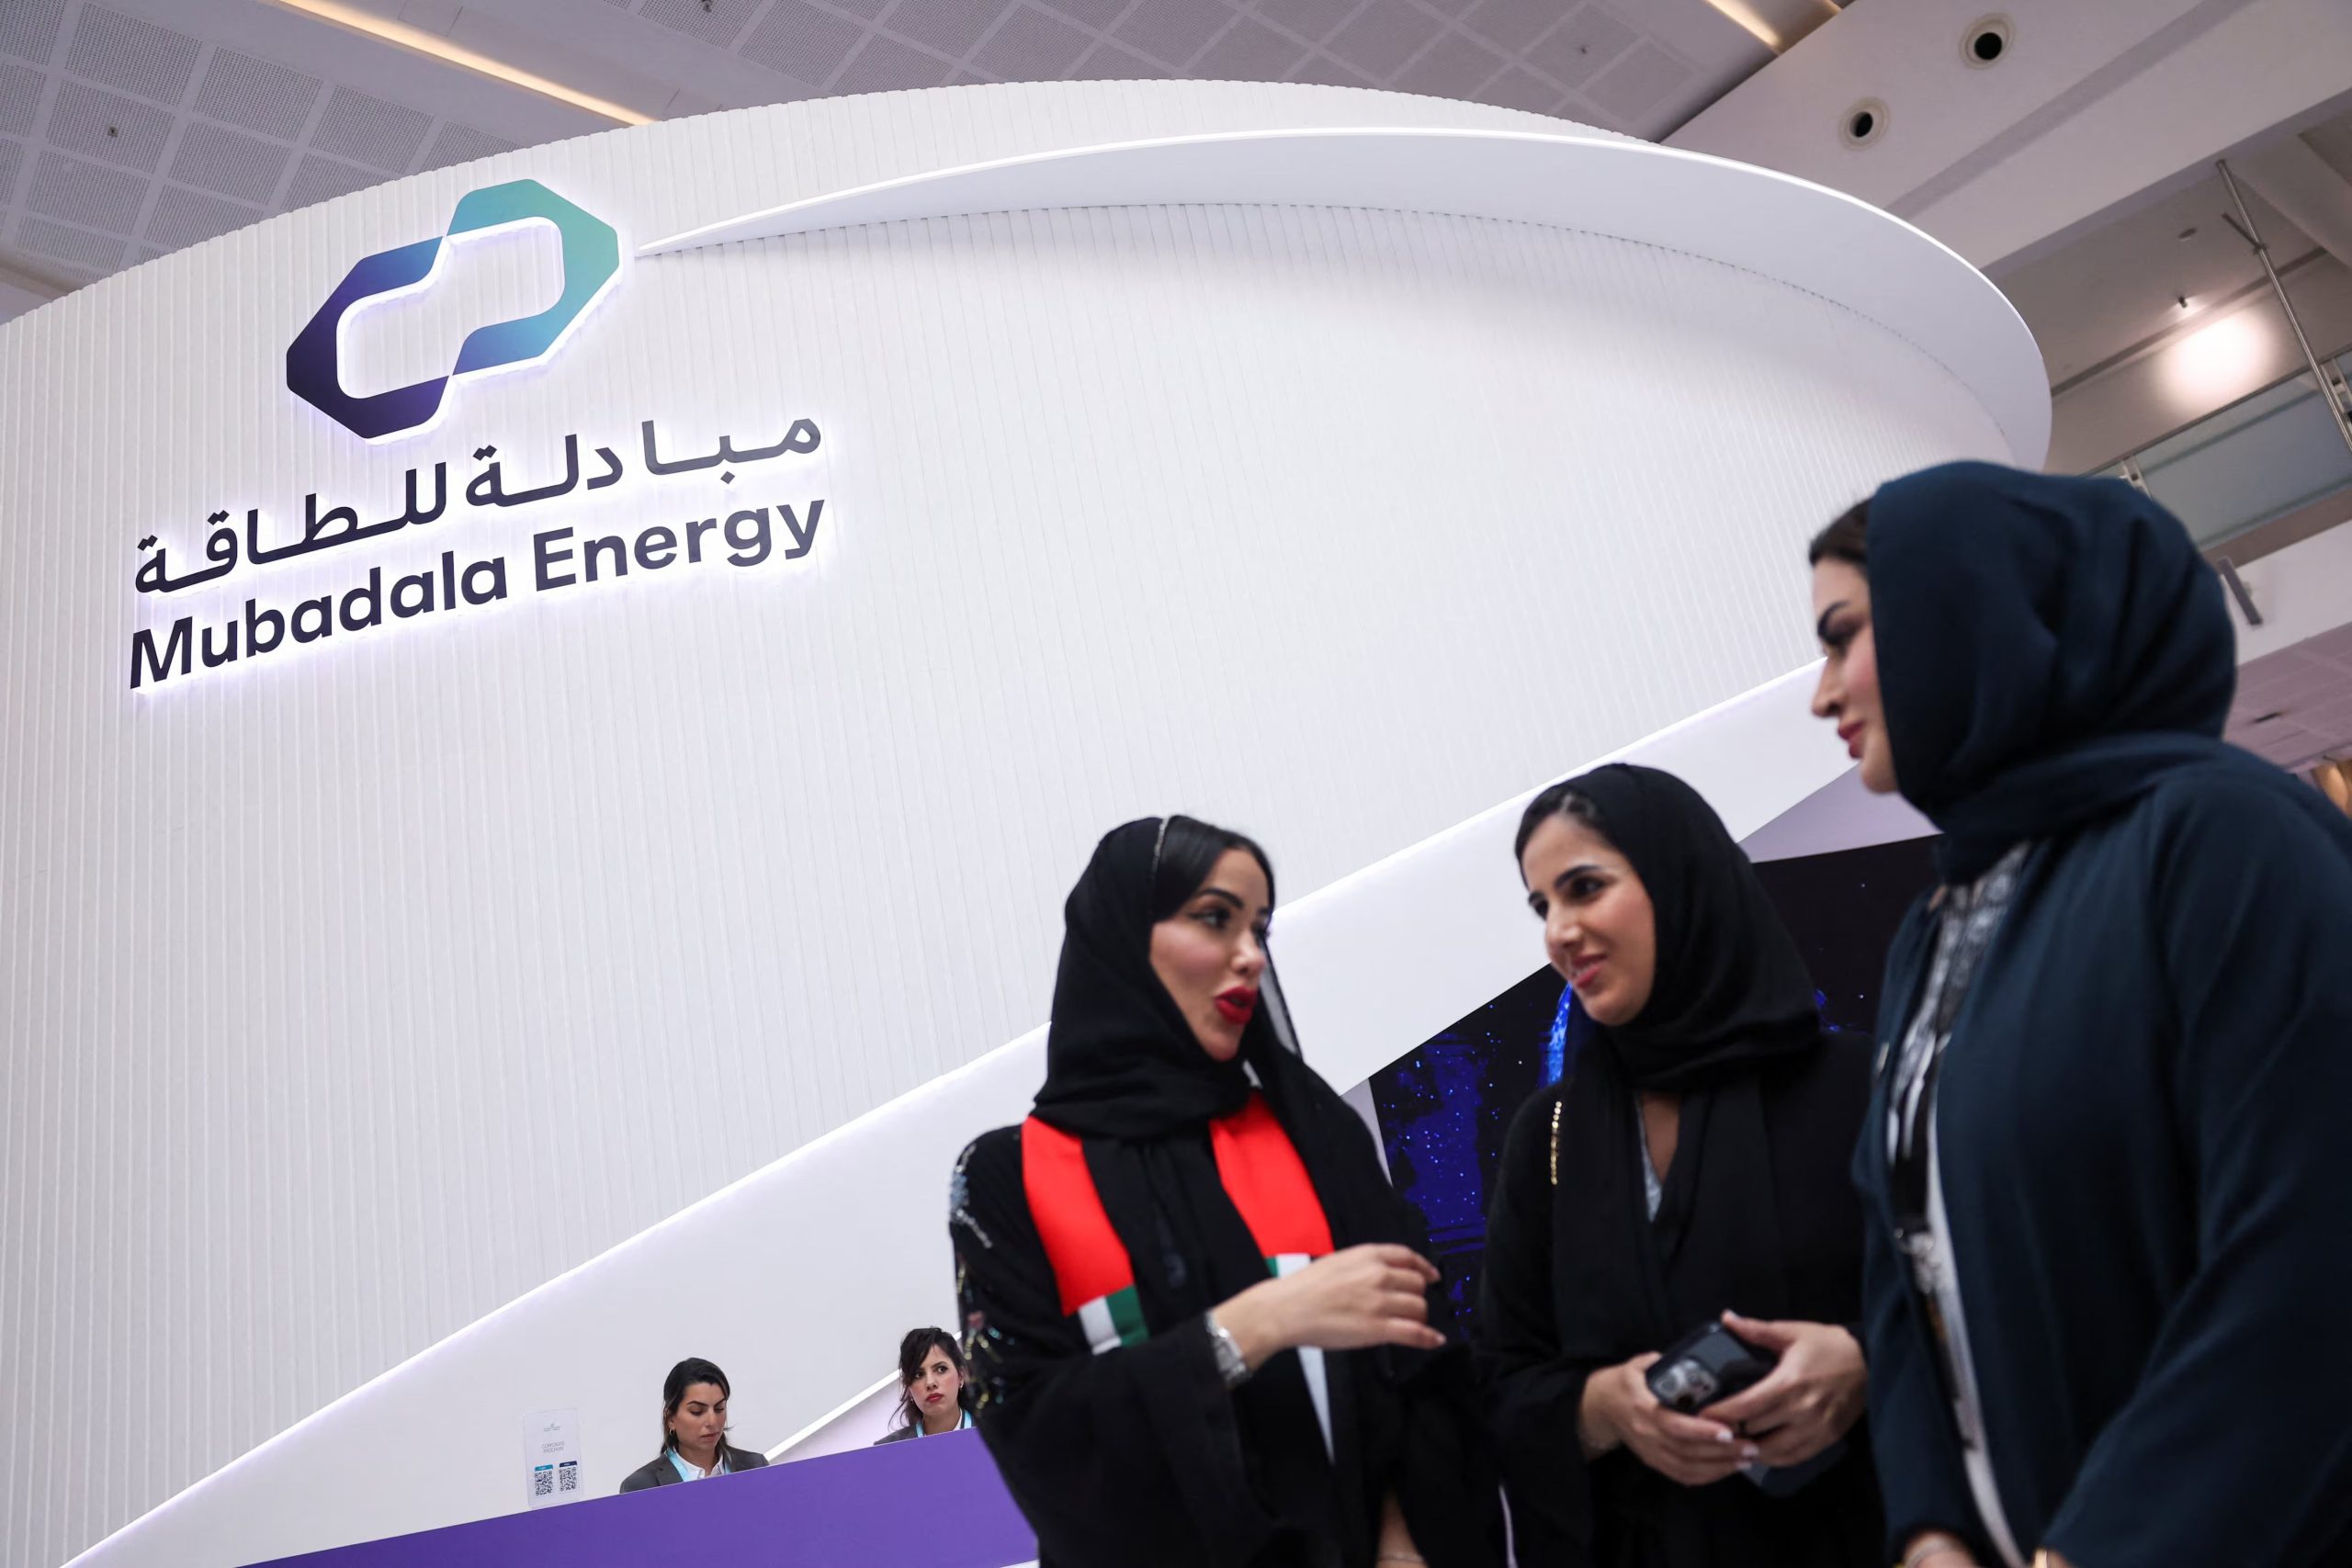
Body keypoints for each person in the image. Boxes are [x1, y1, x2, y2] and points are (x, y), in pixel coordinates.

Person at [1807, 461, 2352, 1568]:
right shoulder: (1938, 925)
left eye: (1840, 633)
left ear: (1969, 610)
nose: (1822, 692)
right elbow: (1906, 1259)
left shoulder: (2222, 839)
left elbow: (2310, 1253)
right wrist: (1930, 1531)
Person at [950, 816, 1506, 1568]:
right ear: (1121, 938)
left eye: (1260, 927)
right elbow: (1035, 1433)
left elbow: (1428, 1364)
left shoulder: (1316, 1135)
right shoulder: (1006, 1178)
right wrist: (1255, 1325)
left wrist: (1407, 1546)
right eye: (1216, 918)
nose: (1250, 955)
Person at [1477, 763, 1884, 1567]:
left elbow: (1982, 1307)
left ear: (1681, 881)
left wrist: (1866, 1363)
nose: (1558, 929)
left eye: (1584, 887)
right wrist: (1605, 1407)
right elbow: (1499, 1386)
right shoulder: (1551, 1134)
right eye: (1542, 905)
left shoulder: (1859, 1085)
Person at [617, 1357, 771, 1492]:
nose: (712, 1421)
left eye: (719, 1408)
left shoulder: (756, 1466)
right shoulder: (641, 1486)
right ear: (670, 1418)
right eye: (697, 1411)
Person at [876, 1326, 976, 1442]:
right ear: (907, 1386)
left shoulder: (995, 1435)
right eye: (918, 1375)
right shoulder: (887, 1452)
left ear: (961, 1376)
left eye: (941, 1369)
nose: (930, 1383)